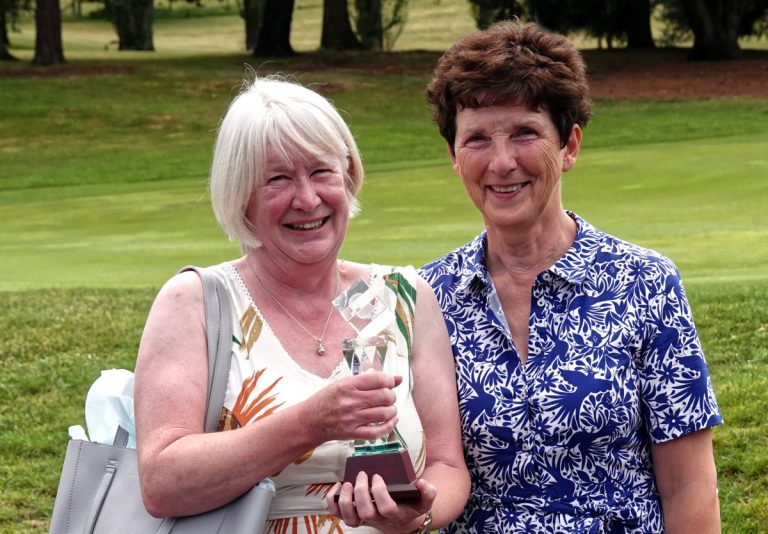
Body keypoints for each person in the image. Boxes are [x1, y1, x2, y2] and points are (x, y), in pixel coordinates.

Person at [418, 20, 722, 533]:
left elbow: (689, 487)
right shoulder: (426, 297)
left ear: (570, 145)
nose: (501, 161)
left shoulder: (645, 282)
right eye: (476, 139)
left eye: (524, 133)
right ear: (453, 155)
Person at [134, 76, 469, 533]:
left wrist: (416, 518)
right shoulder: (196, 301)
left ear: (348, 175)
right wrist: (310, 424)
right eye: (277, 179)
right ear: (241, 196)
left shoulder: (403, 296)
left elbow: (448, 466)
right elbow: (161, 482)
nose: (307, 199)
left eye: (321, 172)